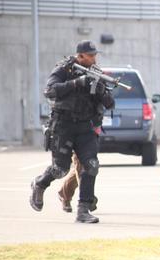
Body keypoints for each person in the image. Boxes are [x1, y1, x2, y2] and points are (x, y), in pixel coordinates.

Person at [29, 40, 114, 223]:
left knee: (91, 165)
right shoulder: (64, 69)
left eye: (95, 55)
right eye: (90, 55)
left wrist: (100, 90)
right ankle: (39, 184)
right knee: (60, 169)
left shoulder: (95, 73)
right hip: (64, 126)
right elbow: (50, 91)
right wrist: (77, 83)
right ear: (80, 55)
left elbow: (110, 104)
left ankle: (83, 210)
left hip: (85, 127)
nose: (93, 59)